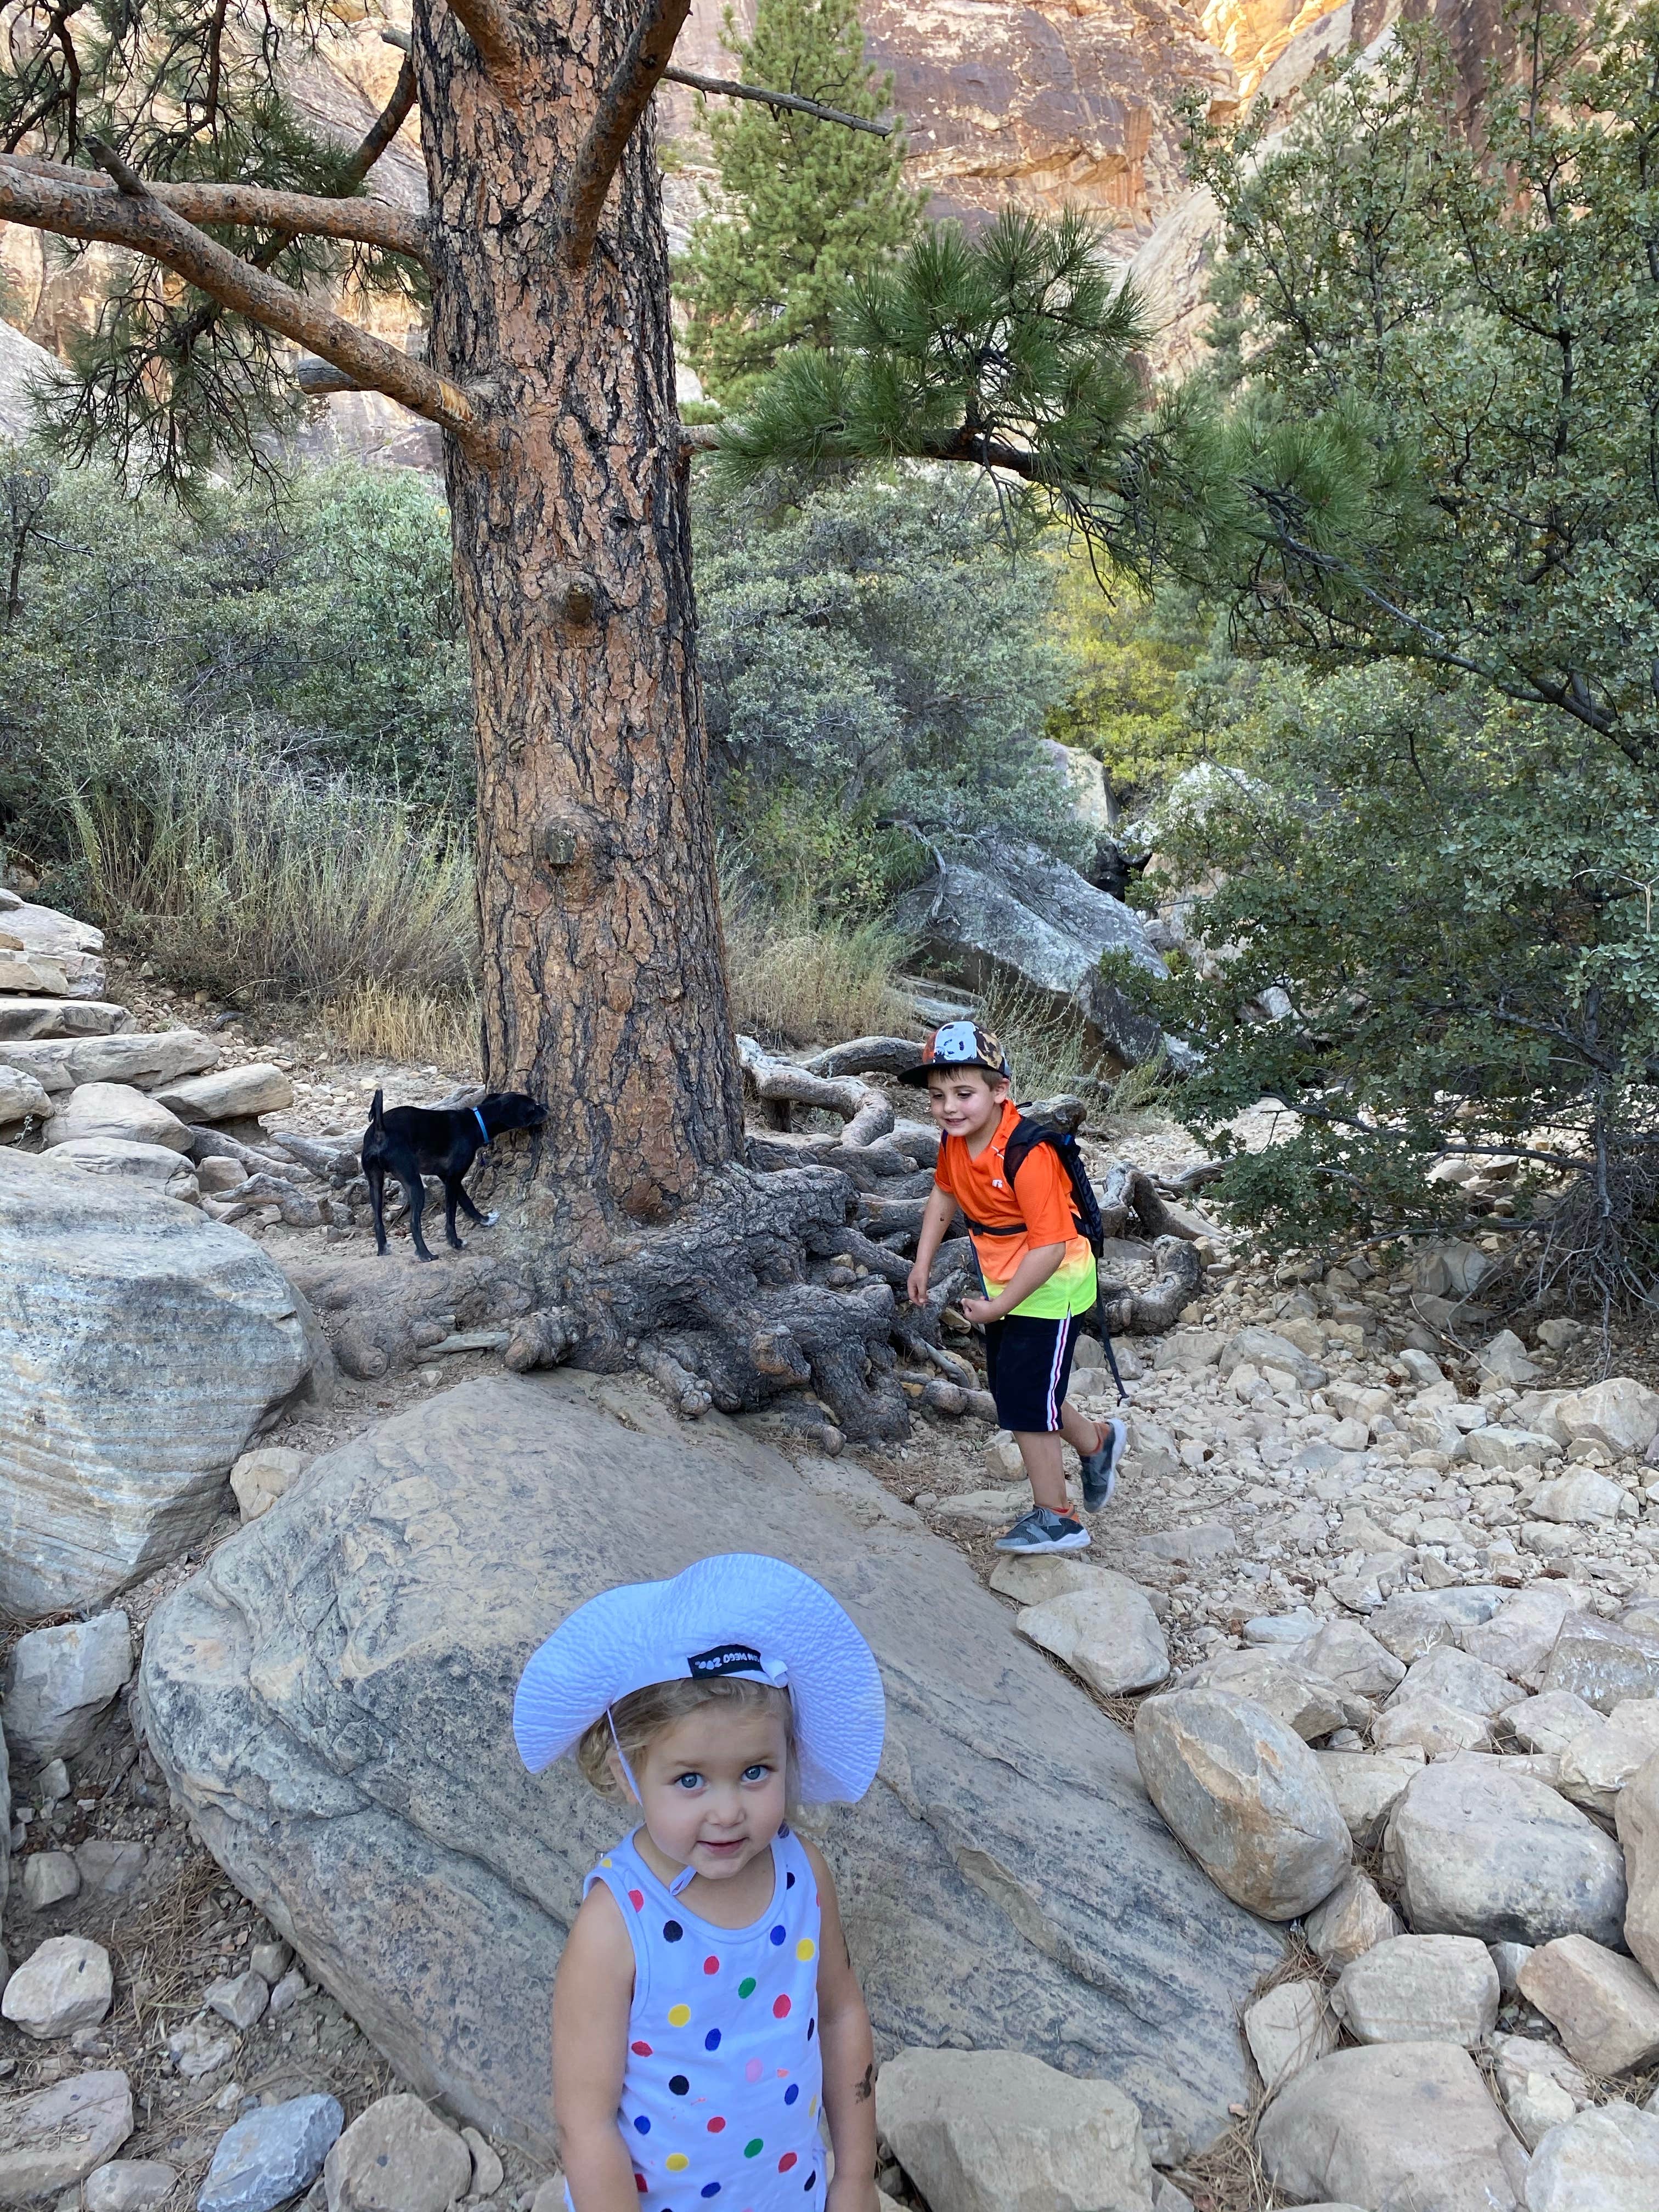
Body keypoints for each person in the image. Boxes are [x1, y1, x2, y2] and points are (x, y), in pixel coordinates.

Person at [514, 1554, 887, 2212]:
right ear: (631, 1772)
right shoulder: (615, 1926)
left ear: (790, 1755)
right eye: (690, 1779)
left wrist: (855, 2177)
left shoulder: (803, 1877)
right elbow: (586, 2121)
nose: (727, 1811)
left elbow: (839, 2012)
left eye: (755, 1772)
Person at [902, 1020, 1126, 1556]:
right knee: (1016, 1390)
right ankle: (1098, 1443)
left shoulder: (1029, 1153)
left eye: (964, 1093)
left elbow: (1049, 1247)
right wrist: (922, 1262)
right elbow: (943, 1196)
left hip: (1054, 1285)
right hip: (1007, 1281)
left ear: (1000, 1091)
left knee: (1027, 1400)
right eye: (938, 1096)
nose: (950, 1107)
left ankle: (1058, 1517)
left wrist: (998, 1306)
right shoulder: (956, 1143)